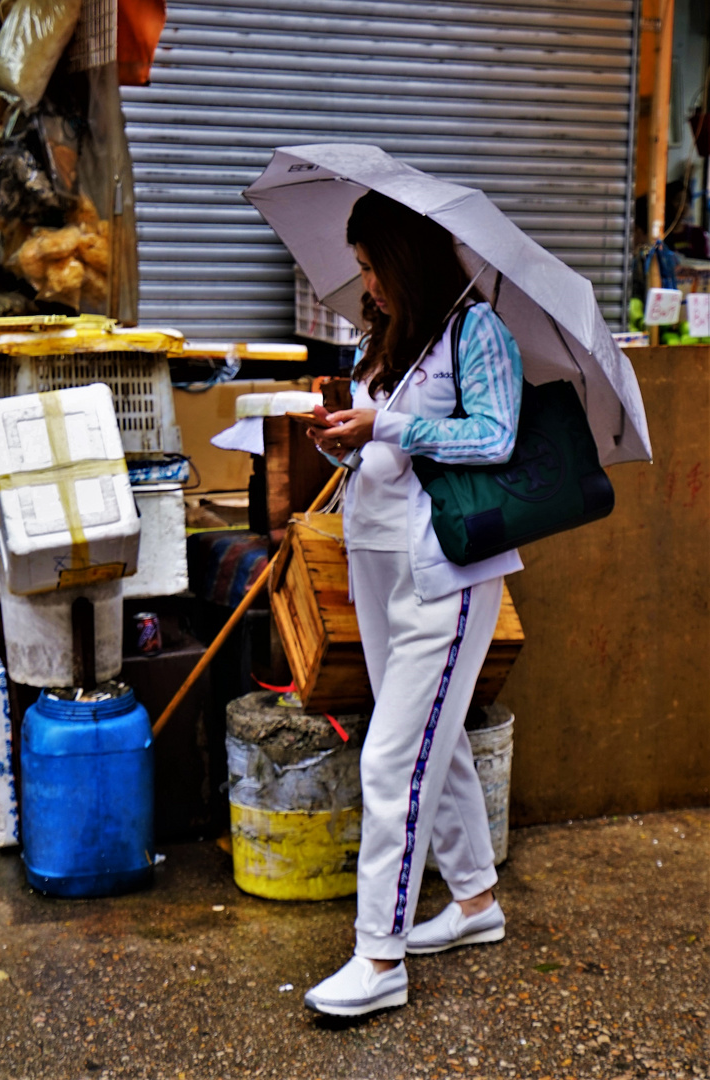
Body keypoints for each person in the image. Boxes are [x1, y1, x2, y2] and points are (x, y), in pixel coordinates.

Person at [303, 191, 524, 1018]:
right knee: (435, 737)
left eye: (373, 267)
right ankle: (474, 902)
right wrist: (344, 438)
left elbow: (494, 436)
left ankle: (378, 957)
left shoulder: (477, 331)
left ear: (409, 261)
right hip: (375, 556)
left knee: (392, 759)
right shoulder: (389, 338)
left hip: (447, 569)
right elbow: (384, 443)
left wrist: (387, 431)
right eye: (359, 268)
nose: (367, 283)